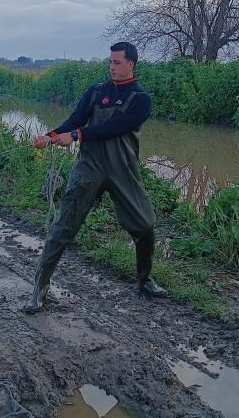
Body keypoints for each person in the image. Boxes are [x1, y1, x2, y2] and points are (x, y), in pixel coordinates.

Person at [25, 41, 165, 313]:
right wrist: (51, 137)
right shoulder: (95, 92)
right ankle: (39, 288)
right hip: (89, 167)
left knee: (145, 225)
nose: (111, 67)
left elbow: (115, 127)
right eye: (110, 62)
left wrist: (78, 135)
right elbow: (74, 120)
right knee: (64, 225)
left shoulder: (141, 99)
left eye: (116, 63)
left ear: (130, 65)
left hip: (123, 169)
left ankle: (144, 279)